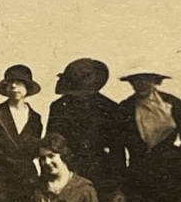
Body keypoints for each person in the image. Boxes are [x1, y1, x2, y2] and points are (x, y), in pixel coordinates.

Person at [116, 66, 181, 202]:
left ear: (155, 80)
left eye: (147, 78)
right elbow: (118, 148)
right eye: (137, 79)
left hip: (171, 178)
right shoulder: (125, 108)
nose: (142, 83)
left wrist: (177, 160)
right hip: (139, 178)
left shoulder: (172, 103)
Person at [45, 58, 125, 192]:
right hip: (69, 172)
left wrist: (118, 186)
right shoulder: (59, 107)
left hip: (102, 174)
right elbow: (51, 145)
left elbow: (117, 151)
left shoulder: (109, 108)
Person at [35, 132, 101, 202]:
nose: (47, 162)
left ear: (63, 155)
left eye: (51, 156)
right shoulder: (39, 188)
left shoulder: (84, 189)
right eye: (43, 158)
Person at [0, 64, 44, 185]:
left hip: (27, 179)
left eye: (19, 82)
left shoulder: (35, 118)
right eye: (10, 83)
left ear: (27, 87)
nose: (14, 86)